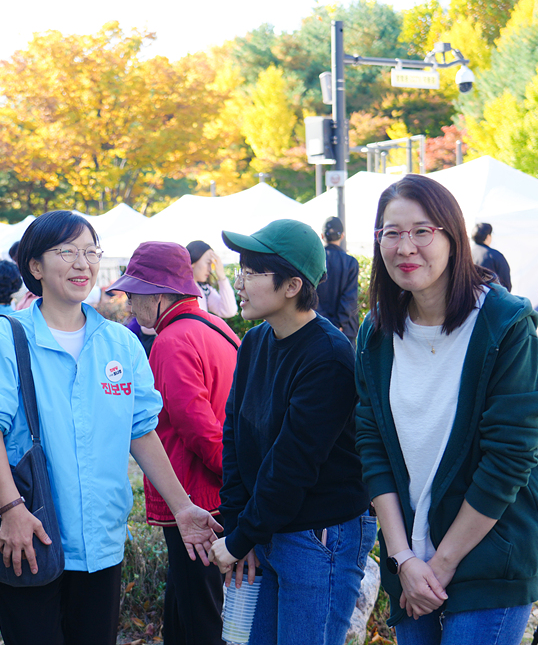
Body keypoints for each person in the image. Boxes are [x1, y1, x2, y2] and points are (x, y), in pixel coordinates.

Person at [0, 210, 221, 645]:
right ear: (35, 266)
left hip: (101, 538)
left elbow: (141, 431)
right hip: (32, 530)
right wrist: (11, 510)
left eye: (90, 252)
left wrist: (182, 507)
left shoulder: (120, 342)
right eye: (67, 251)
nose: (82, 263)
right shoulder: (6, 336)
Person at [355, 175, 538, 645]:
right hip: (408, 558)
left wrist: (439, 565)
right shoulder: (377, 332)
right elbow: (372, 447)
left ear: (453, 236)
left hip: (491, 552)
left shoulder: (503, 324)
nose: (406, 246)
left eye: (422, 231)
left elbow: (508, 459)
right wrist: (403, 557)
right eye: (391, 232)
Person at [205, 219, 373, 645]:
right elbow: (235, 436)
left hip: (320, 536)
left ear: (292, 285)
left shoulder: (329, 357)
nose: (239, 282)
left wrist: (244, 535)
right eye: (239, 269)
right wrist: (239, 528)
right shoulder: (256, 341)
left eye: (252, 272)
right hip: (269, 527)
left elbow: (292, 462)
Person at [107, 242, 240, 645]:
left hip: (196, 495)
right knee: (186, 603)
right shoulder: (216, 325)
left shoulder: (172, 340)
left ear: (159, 294)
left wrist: (234, 477)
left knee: (201, 612)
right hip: (212, 490)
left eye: (133, 294)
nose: (129, 304)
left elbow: (197, 427)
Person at [315, 216, 360, 346]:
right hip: (345, 331)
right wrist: (339, 324)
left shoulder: (314, 261)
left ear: (322, 236)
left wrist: (325, 323)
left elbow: (311, 295)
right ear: (342, 236)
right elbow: (350, 299)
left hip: (317, 328)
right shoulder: (350, 262)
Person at [186, 241, 238, 319]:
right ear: (192, 261)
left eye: (212, 264)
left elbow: (229, 311)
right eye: (208, 262)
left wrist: (222, 277)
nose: (210, 269)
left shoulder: (205, 290)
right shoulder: (177, 291)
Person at [470, 223, 511, 292]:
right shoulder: (495, 255)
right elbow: (506, 284)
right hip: (491, 298)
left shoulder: (466, 254)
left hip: (469, 298)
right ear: (488, 237)